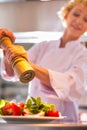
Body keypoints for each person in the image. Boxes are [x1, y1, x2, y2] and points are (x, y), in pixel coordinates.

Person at [0, 0, 87, 122]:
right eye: (76, 14)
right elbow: (13, 72)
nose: (78, 21)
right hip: (32, 117)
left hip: (63, 122)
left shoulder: (83, 54)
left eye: (86, 20)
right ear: (66, 15)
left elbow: (70, 85)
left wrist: (30, 66)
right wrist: (8, 49)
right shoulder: (43, 46)